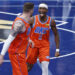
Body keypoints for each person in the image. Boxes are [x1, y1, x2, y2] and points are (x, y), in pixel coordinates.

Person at [0, 2, 34, 75]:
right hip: (17, 54)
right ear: (31, 10)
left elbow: (21, 35)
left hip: (19, 53)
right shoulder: (20, 23)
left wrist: (28, 40)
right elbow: (8, 40)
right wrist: (1, 55)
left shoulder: (23, 18)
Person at [26, 3, 60, 75]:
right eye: (40, 8)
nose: (41, 10)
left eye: (43, 8)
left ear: (47, 10)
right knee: (28, 67)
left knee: (45, 66)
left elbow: (56, 34)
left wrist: (57, 49)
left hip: (44, 46)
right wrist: (28, 39)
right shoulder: (33, 19)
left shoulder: (51, 21)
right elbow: (24, 31)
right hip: (33, 45)